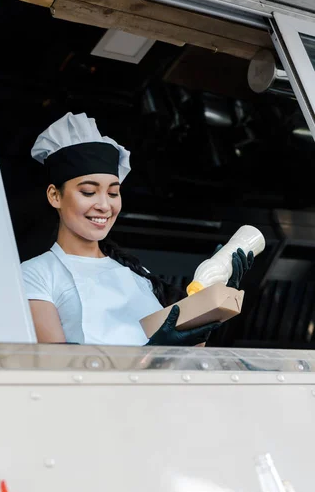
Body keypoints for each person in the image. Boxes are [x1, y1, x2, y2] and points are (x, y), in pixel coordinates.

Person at [21, 112, 253, 346]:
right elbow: (54, 370)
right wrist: (154, 354)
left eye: (113, 193)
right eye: (88, 192)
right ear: (54, 195)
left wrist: (212, 301)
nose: (104, 205)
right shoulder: (34, 275)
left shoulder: (136, 273)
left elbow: (190, 354)